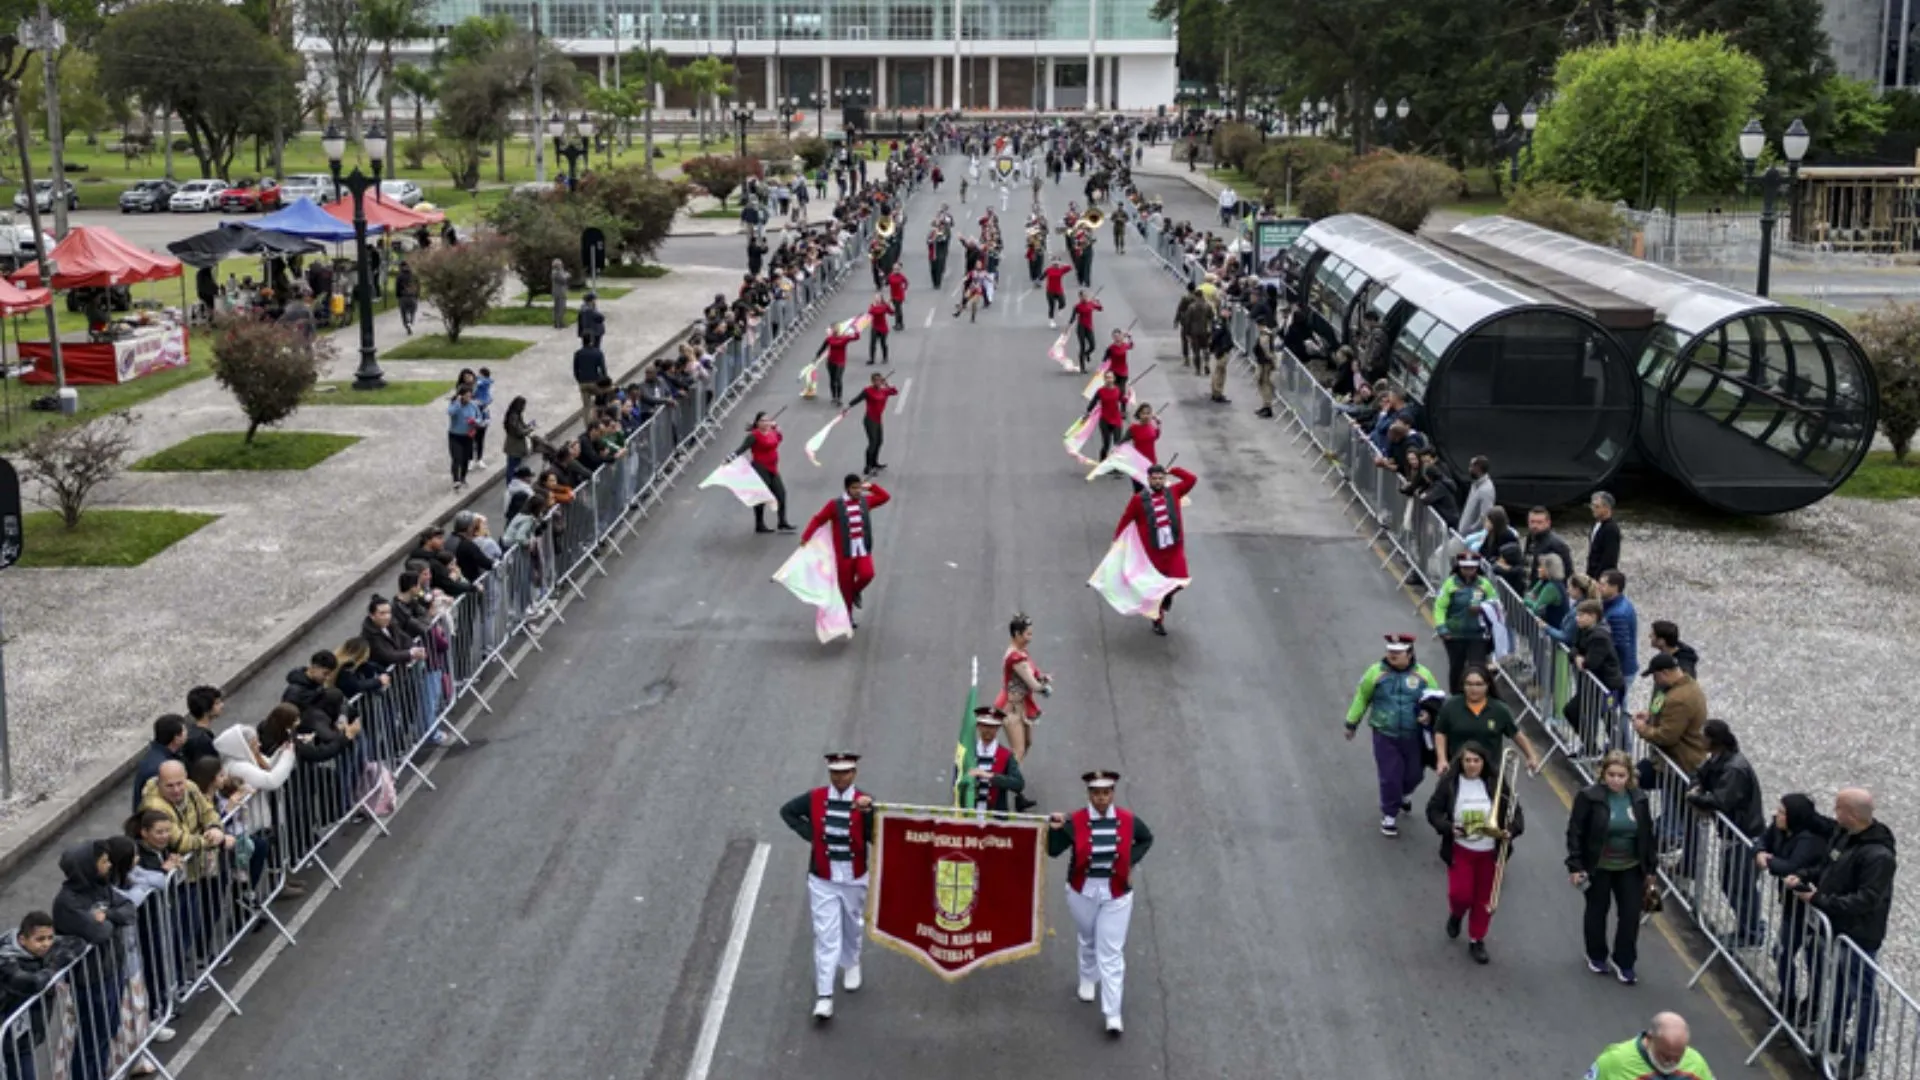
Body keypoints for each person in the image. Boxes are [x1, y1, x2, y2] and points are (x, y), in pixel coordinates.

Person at [1787, 788, 1897, 1074]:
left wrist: (1819, 900)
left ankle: (1859, 1055)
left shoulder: (1878, 855)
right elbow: (1828, 866)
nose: (1834, 814)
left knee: (1861, 994)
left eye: (1838, 809)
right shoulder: (1845, 835)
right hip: (1836, 928)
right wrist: (1806, 877)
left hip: (1859, 935)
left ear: (1851, 814)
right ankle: (1832, 1037)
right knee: (1837, 988)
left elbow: (1866, 899)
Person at [1047, 770, 1153, 1036]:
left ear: (1112, 794)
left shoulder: (1128, 820)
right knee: (1088, 937)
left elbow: (1146, 838)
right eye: (1096, 793)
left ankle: (1113, 1014)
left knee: (1112, 953)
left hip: (1116, 893)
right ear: (1089, 795)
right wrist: (1055, 829)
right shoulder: (1076, 820)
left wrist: (1130, 861)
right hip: (1082, 890)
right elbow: (1053, 850)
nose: (1101, 798)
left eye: (1106, 793)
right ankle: (1086, 975)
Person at [779, 753, 875, 1022]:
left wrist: (871, 813)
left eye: (845, 773)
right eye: (835, 773)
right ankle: (824, 996)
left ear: (854, 773)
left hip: (854, 878)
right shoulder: (815, 798)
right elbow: (787, 811)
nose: (840, 778)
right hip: (823, 879)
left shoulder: (864, 801)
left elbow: (876, 836)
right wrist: (811, 836)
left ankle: (852, 961)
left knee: (852, 923)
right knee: (826, 935)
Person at [1424, 741, 1525, 964]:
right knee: (1460, 895)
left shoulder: (1495, 783)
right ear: (1461, 762)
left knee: (1483, 900)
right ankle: (1457, 914)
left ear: (1483, 762)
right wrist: (1448, 827)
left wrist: (1510, 831)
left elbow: (1515, 812)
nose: (1472, 765)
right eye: (1467, 760)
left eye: (1476, 761)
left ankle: (1476, 939)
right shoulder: (1450, 782)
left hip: (1489, 852)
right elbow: (1433, 810)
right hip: (1461, 849)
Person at [1566, 751, 1656, 984]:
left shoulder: (1639, 799)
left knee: (1630, 916)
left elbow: (1647, 835)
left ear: (1629, 777)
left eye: (1621, 775)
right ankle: (1596, 955)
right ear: (1603, 774)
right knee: (1597, 910)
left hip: (1630, 866)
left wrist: (1650, 870)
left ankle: (1625, 961)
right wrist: (1575, 866)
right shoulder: (1589, 797)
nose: (1616, 780)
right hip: (1599, 866)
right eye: (1611, 775)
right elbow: (1575, 832)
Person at [1345, 634, 1441, 837]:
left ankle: (1404, 795)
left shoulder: (1423, 675)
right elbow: (1362, 697)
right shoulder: (1375, 672)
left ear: (1410, 653)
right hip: (1384, 733)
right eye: (1390, 652)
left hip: (1413, 736)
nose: (1392, 655)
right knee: (1389, 776)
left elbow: (1436, 700)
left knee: (1415, 774)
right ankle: (1389, 815)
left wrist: (1429, 714)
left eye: (1397, 652)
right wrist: (1352, 723)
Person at [1684, 720, 1765, 947]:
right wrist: (1696, 786)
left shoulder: (1734, 769)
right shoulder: (1720, 759)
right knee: (1732, 884)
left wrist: (1694, 797)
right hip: (1734, 835)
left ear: (1714, 740)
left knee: (1741, 886)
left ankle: (1750, 932)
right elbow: (1699, 773)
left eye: (1704, 737)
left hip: (1744, 836)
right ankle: (1749, 927)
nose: (1700, 740)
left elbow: (1722, 800)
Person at [1758, 795, 1835, 1026]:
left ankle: (1811, 1007)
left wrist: (1769, 862)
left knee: (1814, 963)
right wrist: (1761, 850)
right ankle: (1788, 998)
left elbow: (1792, 866)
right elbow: (1763, 839)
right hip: (1793, 907)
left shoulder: (1809, 840)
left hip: (1810, 910)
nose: (1776, 815)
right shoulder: (1781, 828)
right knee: (1781, 952)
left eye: (1781, 812)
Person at [1112, 464, 1199, 636]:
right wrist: (1117, 540)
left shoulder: (1174, 492)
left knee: (1181, 580)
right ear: (1149, 479)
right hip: (1153, 553)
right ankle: (1157, 621)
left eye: (1161, 478)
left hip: (1174, 549)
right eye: (1155, 478)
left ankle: (1168, 596)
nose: (1158, 481)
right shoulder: (1138, 500)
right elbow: (1126, 519)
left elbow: (1192, 479)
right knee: (1156, 589)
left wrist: (1174, 470)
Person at [801, 475, 893, 624]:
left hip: (862, 549)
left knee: (867, 574)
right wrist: (806, 537)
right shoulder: (834, 505)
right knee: (845, 587)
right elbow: (818, 519)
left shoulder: (865, 502)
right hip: (844, 553)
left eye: (859, 487)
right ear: (847, 489)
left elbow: (885, 497)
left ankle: (856, 591)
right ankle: (847, 617)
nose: (857, 491)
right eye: (854, 488)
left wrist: (871, 487)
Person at [1432, 665, 1540, 774]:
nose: (1474, 689)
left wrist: (1531, 756)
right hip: (1457, 770)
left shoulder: (1499, 710)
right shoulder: (1451, 706)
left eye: (1479, 684)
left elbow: (1516, 734)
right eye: (1469, 684)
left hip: (1490, 772)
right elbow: (1440, 732)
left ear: (1488, 685)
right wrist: (1442, 760)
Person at [996, 613, 1050, 808]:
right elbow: (1032, 683)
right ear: (1017, 634)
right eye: (1027, 634)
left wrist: (1042, 677)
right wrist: (1043, 687)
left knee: (1027, 744)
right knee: (1018, 750)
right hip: (1011, 708)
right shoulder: (1016, 657)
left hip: (1022, 706)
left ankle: (1009, 780)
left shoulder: (1021, 652)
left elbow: (1033, 674)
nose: (1030, 638)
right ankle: (1003, 787)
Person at [1433, 552, 1497, 694]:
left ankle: (1479, 696)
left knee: (1478, 668)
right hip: (1454, 635)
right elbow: (1440, 607)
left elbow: (1495, 604)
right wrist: (1442, 628)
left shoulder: (1484, 584)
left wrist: (1482, 608)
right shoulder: (1450, 583)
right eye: (1465, 568)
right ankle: (1456, 698)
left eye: (1472, 568)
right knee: (1457, 668)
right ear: (1459, 567)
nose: (1469, 571)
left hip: (1478, 635)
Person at [1588, 1013, 1714, 1080]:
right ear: (1649, 1039)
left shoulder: (1696, 1063)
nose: (1671, 1063)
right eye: (1665, 1056)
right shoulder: (1615, 1061)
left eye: (1678, 1057)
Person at [735, 412, 794, 535]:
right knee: (761, 497)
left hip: (773, 468)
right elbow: (742, 449)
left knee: (781, 494)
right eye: (763, 420)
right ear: (757, 423)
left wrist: (777, 428)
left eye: (767, 420)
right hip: (760, 468)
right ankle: (759, 524)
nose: (766, 422)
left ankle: (782, 521)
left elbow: (779, 438)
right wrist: (730, 458)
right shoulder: (754, 436)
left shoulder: (772, 432)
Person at [961, 708, 1025, 811]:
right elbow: (956, 781)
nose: (988, 730)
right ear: (978, 726)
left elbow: (1018, 784)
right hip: (968, 812)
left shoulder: (1006, 755)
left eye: (992, 727)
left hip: (995, 814)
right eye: (984, 725)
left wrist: (991, 776)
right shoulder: (967, 752)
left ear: (998, 728)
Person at [844, 373, 899, 478]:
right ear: (872, 381)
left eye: (879, 380)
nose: (878, 382)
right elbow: (857, 399)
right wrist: (848, 407)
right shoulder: (868, 391)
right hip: (870, 420)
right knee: (872, 443)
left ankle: (874, 463)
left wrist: (886, 384)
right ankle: (867, 466)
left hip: (878, 420)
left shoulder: (884, 391)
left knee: (879, 441)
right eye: (875, 380)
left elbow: (894, 392)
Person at [132, 716, 187, 813]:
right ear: (176, 738)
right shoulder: (160, 768)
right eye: (184, 731)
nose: (187, 733)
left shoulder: (157, 756)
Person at [1084, 370, 1126, 461]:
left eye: (1110, 377)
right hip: (1105, 420)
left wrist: (1123, 411)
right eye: (1107, 377)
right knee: (1106, 444)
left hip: (1116, 419)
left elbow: (1123, 401)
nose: (1109, 379)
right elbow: (1093, 402)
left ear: (1114, 379)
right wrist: (1087, 413)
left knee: (1117, 444)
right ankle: (1102, 460)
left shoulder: (1118, 390)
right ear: (1104, 379)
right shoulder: (1100, 391)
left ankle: (1116, 465)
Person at [447, 382, 481, 492]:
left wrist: (475, 421)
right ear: (461, 395)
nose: (468, 398)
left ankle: (463, 478)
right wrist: (457, 402)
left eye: (470, 395)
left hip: (468, 435)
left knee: (465, 458)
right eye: (466, 395)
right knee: (456, 457)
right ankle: (456, 480)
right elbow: (450, 412)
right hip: (455, 435)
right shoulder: (455, 404)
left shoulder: (473, 405)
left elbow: (479, 418)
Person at [1586, 491, 1622, 577]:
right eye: (1592, 505)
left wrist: (1598, 578)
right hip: (1592, 574)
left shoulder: (1611, 529)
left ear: (1607, 508)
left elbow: (1609, 558)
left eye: (1597, 506)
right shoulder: (1596, 525)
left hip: (1602, 579)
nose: (1593, 509)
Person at [1458, 457, 1495, 538]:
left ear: (1478, 469)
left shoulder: (1486, 490)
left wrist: (1470, 530)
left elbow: (1485, 516)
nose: (1469, 469)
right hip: (1462, 533)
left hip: (1470, 537)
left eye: (1471, 466)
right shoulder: (1475, 485)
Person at [573, 336, 609, 414]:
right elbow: (603, 370)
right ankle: (602, 413)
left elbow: (575, 370)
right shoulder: (598, 353)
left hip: (583, 383)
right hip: (595, 382)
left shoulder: (578, 353)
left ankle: (588, 424)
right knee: (604, 396)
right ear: (592, 341)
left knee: (586, 407)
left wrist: (579, 380)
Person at [1072, 290, 1103, 371]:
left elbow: (1100, 309)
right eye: (1083, 296)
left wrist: (1098, 302)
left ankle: (1087, 354)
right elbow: (1072, 317)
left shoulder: (1091, 304)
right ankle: (1082, 368)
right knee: (1082, 347)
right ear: (1080, 297)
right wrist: (1067, 327)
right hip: (1081, 328)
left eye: (1086, 296)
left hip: (1089, 327)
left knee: (1093, 346)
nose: (1085, 297)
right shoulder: (1077, 306)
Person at [1102, 327, 1134, 396]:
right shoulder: (1111, 348)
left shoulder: (1124, 345)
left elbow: (1131, 346)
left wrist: (1129, 337)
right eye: (1114, 336)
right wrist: (1102, 370)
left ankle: (1123, 405)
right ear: (1112, 338)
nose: (1116, 338)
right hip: (1113, 372)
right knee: (1114, 391)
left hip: (1123, 372)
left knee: (1122, 392)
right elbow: (1104, 360)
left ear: (1120, 336)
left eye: (1117, 336)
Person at [865, 292, 892, 364]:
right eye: (875, 297)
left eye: (878, 297)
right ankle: (871, 359)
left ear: (881, 299)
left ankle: (885, 358)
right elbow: (870, 312)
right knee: (872, 343)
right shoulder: (873, 306)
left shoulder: (884, 306)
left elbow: (891, 312)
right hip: (875, 327)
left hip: (883, 328)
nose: (876, 299)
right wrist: (874, 307)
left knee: (883, 343)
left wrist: (889, 306)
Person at [1043, 258, 1072, 327]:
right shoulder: (1048, 270)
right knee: (1052, 306)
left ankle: (1059, 309)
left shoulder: (1061, 270)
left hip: (1059, 290)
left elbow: (1070, 267)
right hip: (1050, 290)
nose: (1056, 265)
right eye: (1054, 264)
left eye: (1057, 264)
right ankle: (1051, 321)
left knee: (1063, 303)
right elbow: (1042, 276)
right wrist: (1038, 280)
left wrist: (1062, 263)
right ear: (1052, 264)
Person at [394, 259, 418, 335]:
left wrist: (398, 295)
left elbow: (397, 287)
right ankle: (410, 321)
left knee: (404, 313)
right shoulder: (414, 275)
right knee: (412, 311)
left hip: (403, 297)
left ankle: (407, 324)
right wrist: (417, 295)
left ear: (401, 267)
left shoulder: (399, 276)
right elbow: (418, 286)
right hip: (412, 296)